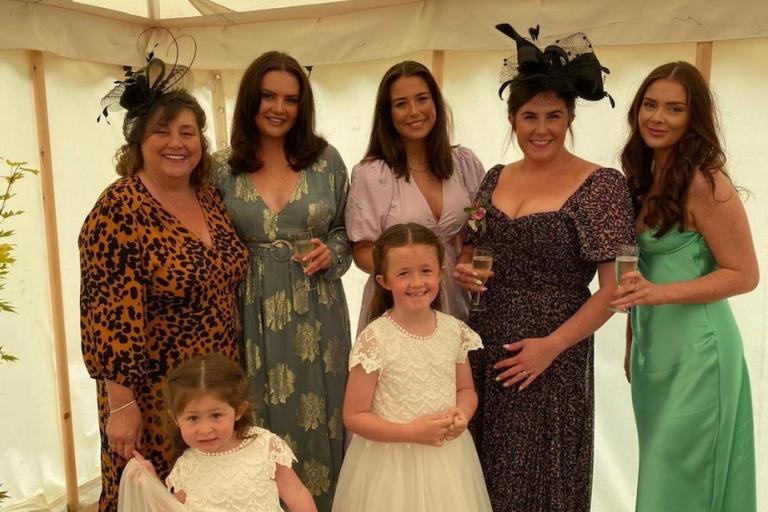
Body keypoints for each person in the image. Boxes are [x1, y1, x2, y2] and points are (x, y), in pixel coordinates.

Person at [453, 25, 635, 511]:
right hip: (486, 343)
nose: (541, 128)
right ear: (512, 120)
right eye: (529, 116)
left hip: (554, 354)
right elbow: (474, 250)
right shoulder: (494, 178)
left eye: (554, 115)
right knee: (481, 474)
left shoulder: (602, 185)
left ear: (571, 117)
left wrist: (550, 348)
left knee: (541, 480)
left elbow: (614, 291)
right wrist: (467, 271)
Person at [80, 70, 248, 510]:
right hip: (155, 395)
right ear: (138, 143)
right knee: (154, 494)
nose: (177, 143)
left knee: (207, 494)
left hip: (213, 388)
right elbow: (109, 317)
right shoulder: (118, 209)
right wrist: (121, 407)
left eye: (187, 132)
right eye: (162, 132)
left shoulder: (208, 197)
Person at [611, 61, 758, 512]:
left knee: (681, 480)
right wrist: (633, 339)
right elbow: (636, 275)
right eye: (650, 105)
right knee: (662, 473)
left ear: (693, 119)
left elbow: (745, 274)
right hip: (655, 355)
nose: (658, 117)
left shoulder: (705, 182)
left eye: (674, 109)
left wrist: (659, 294)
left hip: (701, 353)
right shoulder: (639, 179)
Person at [210, 51, 351, 512]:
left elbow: (347, 232)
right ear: (250, 98)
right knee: (254, 412)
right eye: (268, 96)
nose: (278, 108)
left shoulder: (327, 161)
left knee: (325, 415)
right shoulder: (220, 166)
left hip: (318, 307)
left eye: (291, 99)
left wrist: (334, 252)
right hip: (246, 308)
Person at [332, 223, 492, 512]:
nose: (416, 282)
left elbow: (465, 389)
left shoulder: (455, 331)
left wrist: (463, 413)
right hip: (389, 466)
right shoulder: (375, 338)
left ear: (441, 273)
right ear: (384, 281)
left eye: (426, 271)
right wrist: (409, 432)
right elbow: (354, 415)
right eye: (404, 273)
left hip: (447, 461)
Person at [345, 60, 485, 333]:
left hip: (458, 300)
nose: (414, 111)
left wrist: (469, 259)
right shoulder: (372, 174)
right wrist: (410, 276)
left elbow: (482, 232)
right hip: (396, 305)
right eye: (401, 103)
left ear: (436, 102)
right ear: (387, 114)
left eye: (422, 99)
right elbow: (361, 251)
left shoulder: (465, 163)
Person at [118, 353, 317, 512]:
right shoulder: (185, 467)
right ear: (176, 419)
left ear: (238, 410)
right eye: (193, 418)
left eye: (215, 415)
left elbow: (297, 494)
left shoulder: (264, 446)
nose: (205, 429)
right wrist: (151, 484)